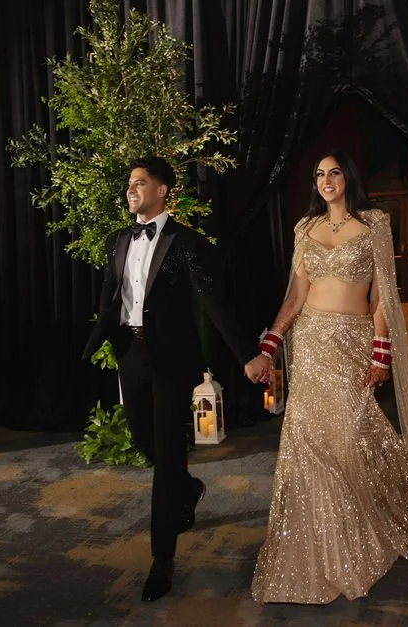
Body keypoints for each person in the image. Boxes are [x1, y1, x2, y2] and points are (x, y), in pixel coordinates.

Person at [251, 150, 408, 604]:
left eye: (334, 172)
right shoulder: (304, 228)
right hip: (311, 344)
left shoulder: (374, 223)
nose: (326, 180)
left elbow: (382, 298)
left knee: (354, 437)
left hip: (352, 344)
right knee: (310, 444)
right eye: (318, 173)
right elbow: (294, 298)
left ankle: (386, 515)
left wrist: (380, 353)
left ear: (348, 177)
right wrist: (269, 346)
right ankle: (324, 549)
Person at [83, 157, 270, 602]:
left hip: (170, 359)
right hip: (131, 354)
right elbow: (111, 300)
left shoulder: (186, 242)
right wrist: (94, 342)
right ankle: (187, 488)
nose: (131, 190)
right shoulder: (116, 241)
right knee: (141, 436)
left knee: (166, 452)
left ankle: (162, 557)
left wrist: (248, 354)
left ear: (163, 190)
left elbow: (212, 302)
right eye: (129, 183)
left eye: (140, 183)